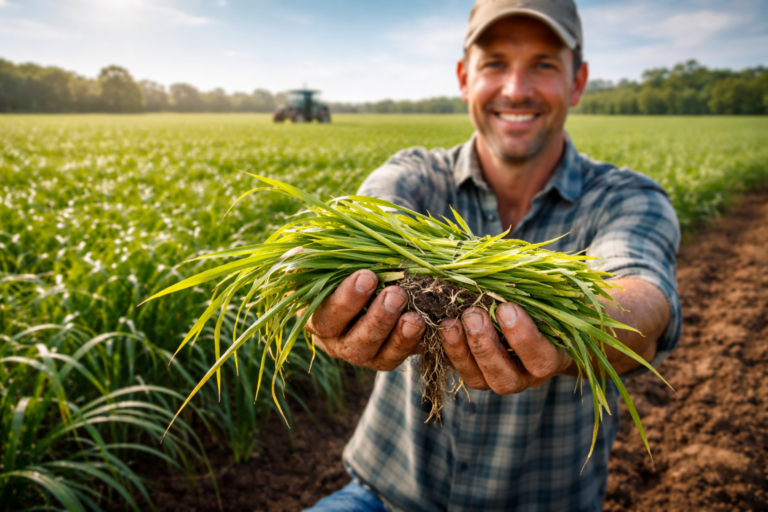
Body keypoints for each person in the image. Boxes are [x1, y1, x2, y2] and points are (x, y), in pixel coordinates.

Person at [304, 0, 681, 510]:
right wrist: (333, 292)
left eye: (543, 64)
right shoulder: (415, 176)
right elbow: (370, 219)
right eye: (495, 63)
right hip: (382, 498)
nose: (516, 89)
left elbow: (644, 301)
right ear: (465, 78)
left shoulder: (627, 199)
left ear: (577, 81)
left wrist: (573, 332)